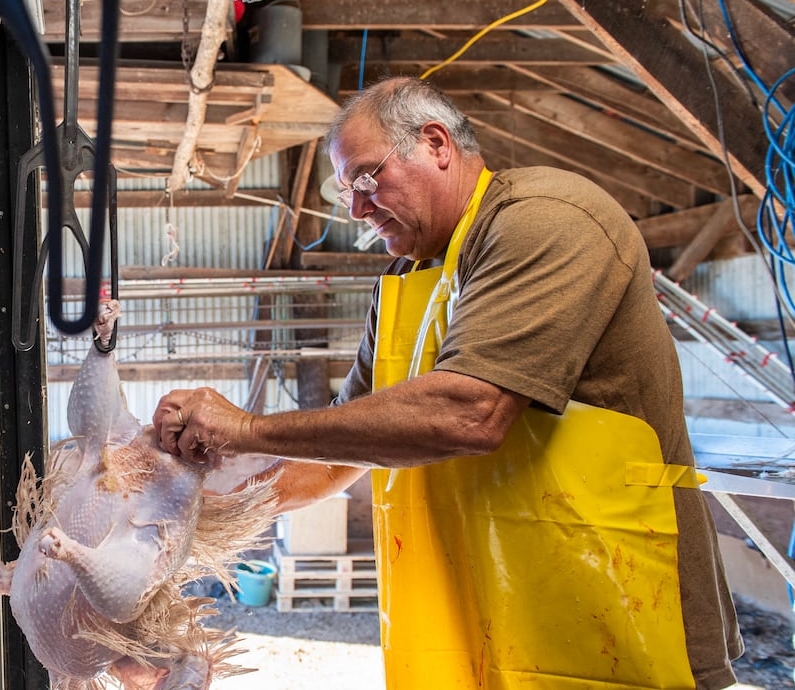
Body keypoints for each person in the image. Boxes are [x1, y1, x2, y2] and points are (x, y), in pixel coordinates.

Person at [155, 77, 742, 689]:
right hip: (491, 614)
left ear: (435, 143)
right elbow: (331, 462)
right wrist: (192, 513)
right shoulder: (406, 284)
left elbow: (471, 413)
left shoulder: (545, 219)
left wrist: (246, 429)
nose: (355, 207)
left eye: (363, 179)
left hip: (613, 605)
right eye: (346, 191)